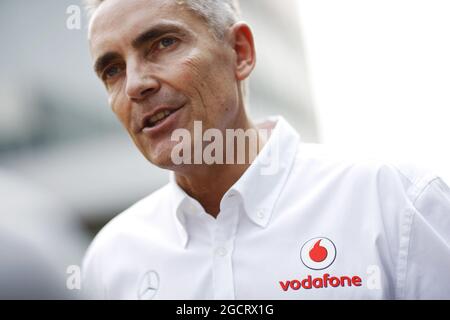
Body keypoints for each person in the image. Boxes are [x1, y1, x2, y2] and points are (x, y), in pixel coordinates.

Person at [82, 0, 450, 299]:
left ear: (240, 52)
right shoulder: (110, 260)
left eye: (163, 43)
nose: (135, 84)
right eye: (112, 70)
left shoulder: (396, 201)